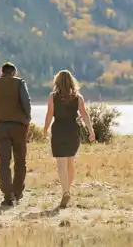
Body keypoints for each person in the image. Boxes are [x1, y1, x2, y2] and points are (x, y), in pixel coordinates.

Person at [42, 69, 93, 208]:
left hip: (58, 130)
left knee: (61, 164)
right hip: (72, 130)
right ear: (71, 81)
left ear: (57, 81)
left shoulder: (52, 97)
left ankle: (65, 192)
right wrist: (91, 130)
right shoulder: (78, 97)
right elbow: (84, 115)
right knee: (70, 162)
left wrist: (45, 129)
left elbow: (49, 115)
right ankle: (67, 190)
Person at [0, 61, 32, 206]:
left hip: (0, 127)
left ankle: (7, 196)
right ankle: (17, 192)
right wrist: (27, 120)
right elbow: (27, 103)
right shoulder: (19, 83)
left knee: (4, 162)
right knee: (20, 161)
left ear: (1, 72)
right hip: (18, 126)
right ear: (14, 72)